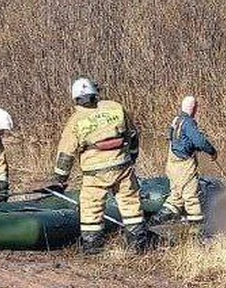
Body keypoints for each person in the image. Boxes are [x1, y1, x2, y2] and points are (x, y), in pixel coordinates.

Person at [45, 78, 149, 254]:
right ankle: (138, 244)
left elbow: (66, 153)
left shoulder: (76, 120)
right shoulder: (116, 107)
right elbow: (133, 134)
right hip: (121, 165)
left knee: (91, 208)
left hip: (95, 172)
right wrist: (132, 156)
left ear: (76, 98)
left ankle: (93, 248)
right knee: (130, 203)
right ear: (95, 92)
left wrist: (60, 180)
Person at [153, 95, 217, 232]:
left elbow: (171, 136)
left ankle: (156, 220)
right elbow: (199, 141)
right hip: (184, 164)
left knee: (175, 194)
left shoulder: (176, 120)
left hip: (171, 164)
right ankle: (197, 232)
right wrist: (212, 151)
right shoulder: (189, 123)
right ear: (194, 109)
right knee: (191, 196)